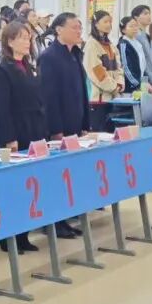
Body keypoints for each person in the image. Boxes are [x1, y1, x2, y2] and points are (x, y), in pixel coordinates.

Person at [0, 20, 47, 253]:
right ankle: (7, 238)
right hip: (15, 134)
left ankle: (23, 235)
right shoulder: (3, 71)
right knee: (12, 188)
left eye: (29, 37)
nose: (27, 41)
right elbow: (3, 110)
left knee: (29, 187)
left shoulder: (29, 67)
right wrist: (10, 139)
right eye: (22, 37)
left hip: (34, 131)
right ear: (10, 41)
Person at [38, 13, 91, 239]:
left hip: (76, 124)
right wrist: (56, 130)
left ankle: (66, 218)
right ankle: (54, 222)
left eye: (80, 27)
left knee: (71, 175)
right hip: (59, 127)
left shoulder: (75, 54)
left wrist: (85, 124)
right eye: (74, 27)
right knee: (57, 176)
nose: (78, 31)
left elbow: (83, 92)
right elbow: (49, 98)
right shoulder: (49, 57)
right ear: (58, 30)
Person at [83, 10, 125, 102]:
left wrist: (120, 83)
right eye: (105, 22)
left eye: (110, 22)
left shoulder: (111, 45)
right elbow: (96, 71)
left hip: (114, 95)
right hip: (99, 98)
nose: (109, 24)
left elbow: (119, 67)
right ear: (96, 24)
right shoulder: (92, 44)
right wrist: (113, 87)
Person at [118, 15, 147, 94]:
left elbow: (143, 65)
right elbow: (125, 67)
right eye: (131, 26)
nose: (135, 28)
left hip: (140, 85)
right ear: (123, 30)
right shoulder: (123, 44)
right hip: (130, 88)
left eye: (136, 26)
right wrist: (137, 84)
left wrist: (144, 85)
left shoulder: (138, 43)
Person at [131, 4, 152, 88]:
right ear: (136, 17)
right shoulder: (136, 35)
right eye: (145, 13)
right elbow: (140, 62)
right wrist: (145, 82)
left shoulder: (146, 36)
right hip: (144, 80)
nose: (149, 16)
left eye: (149, 13)